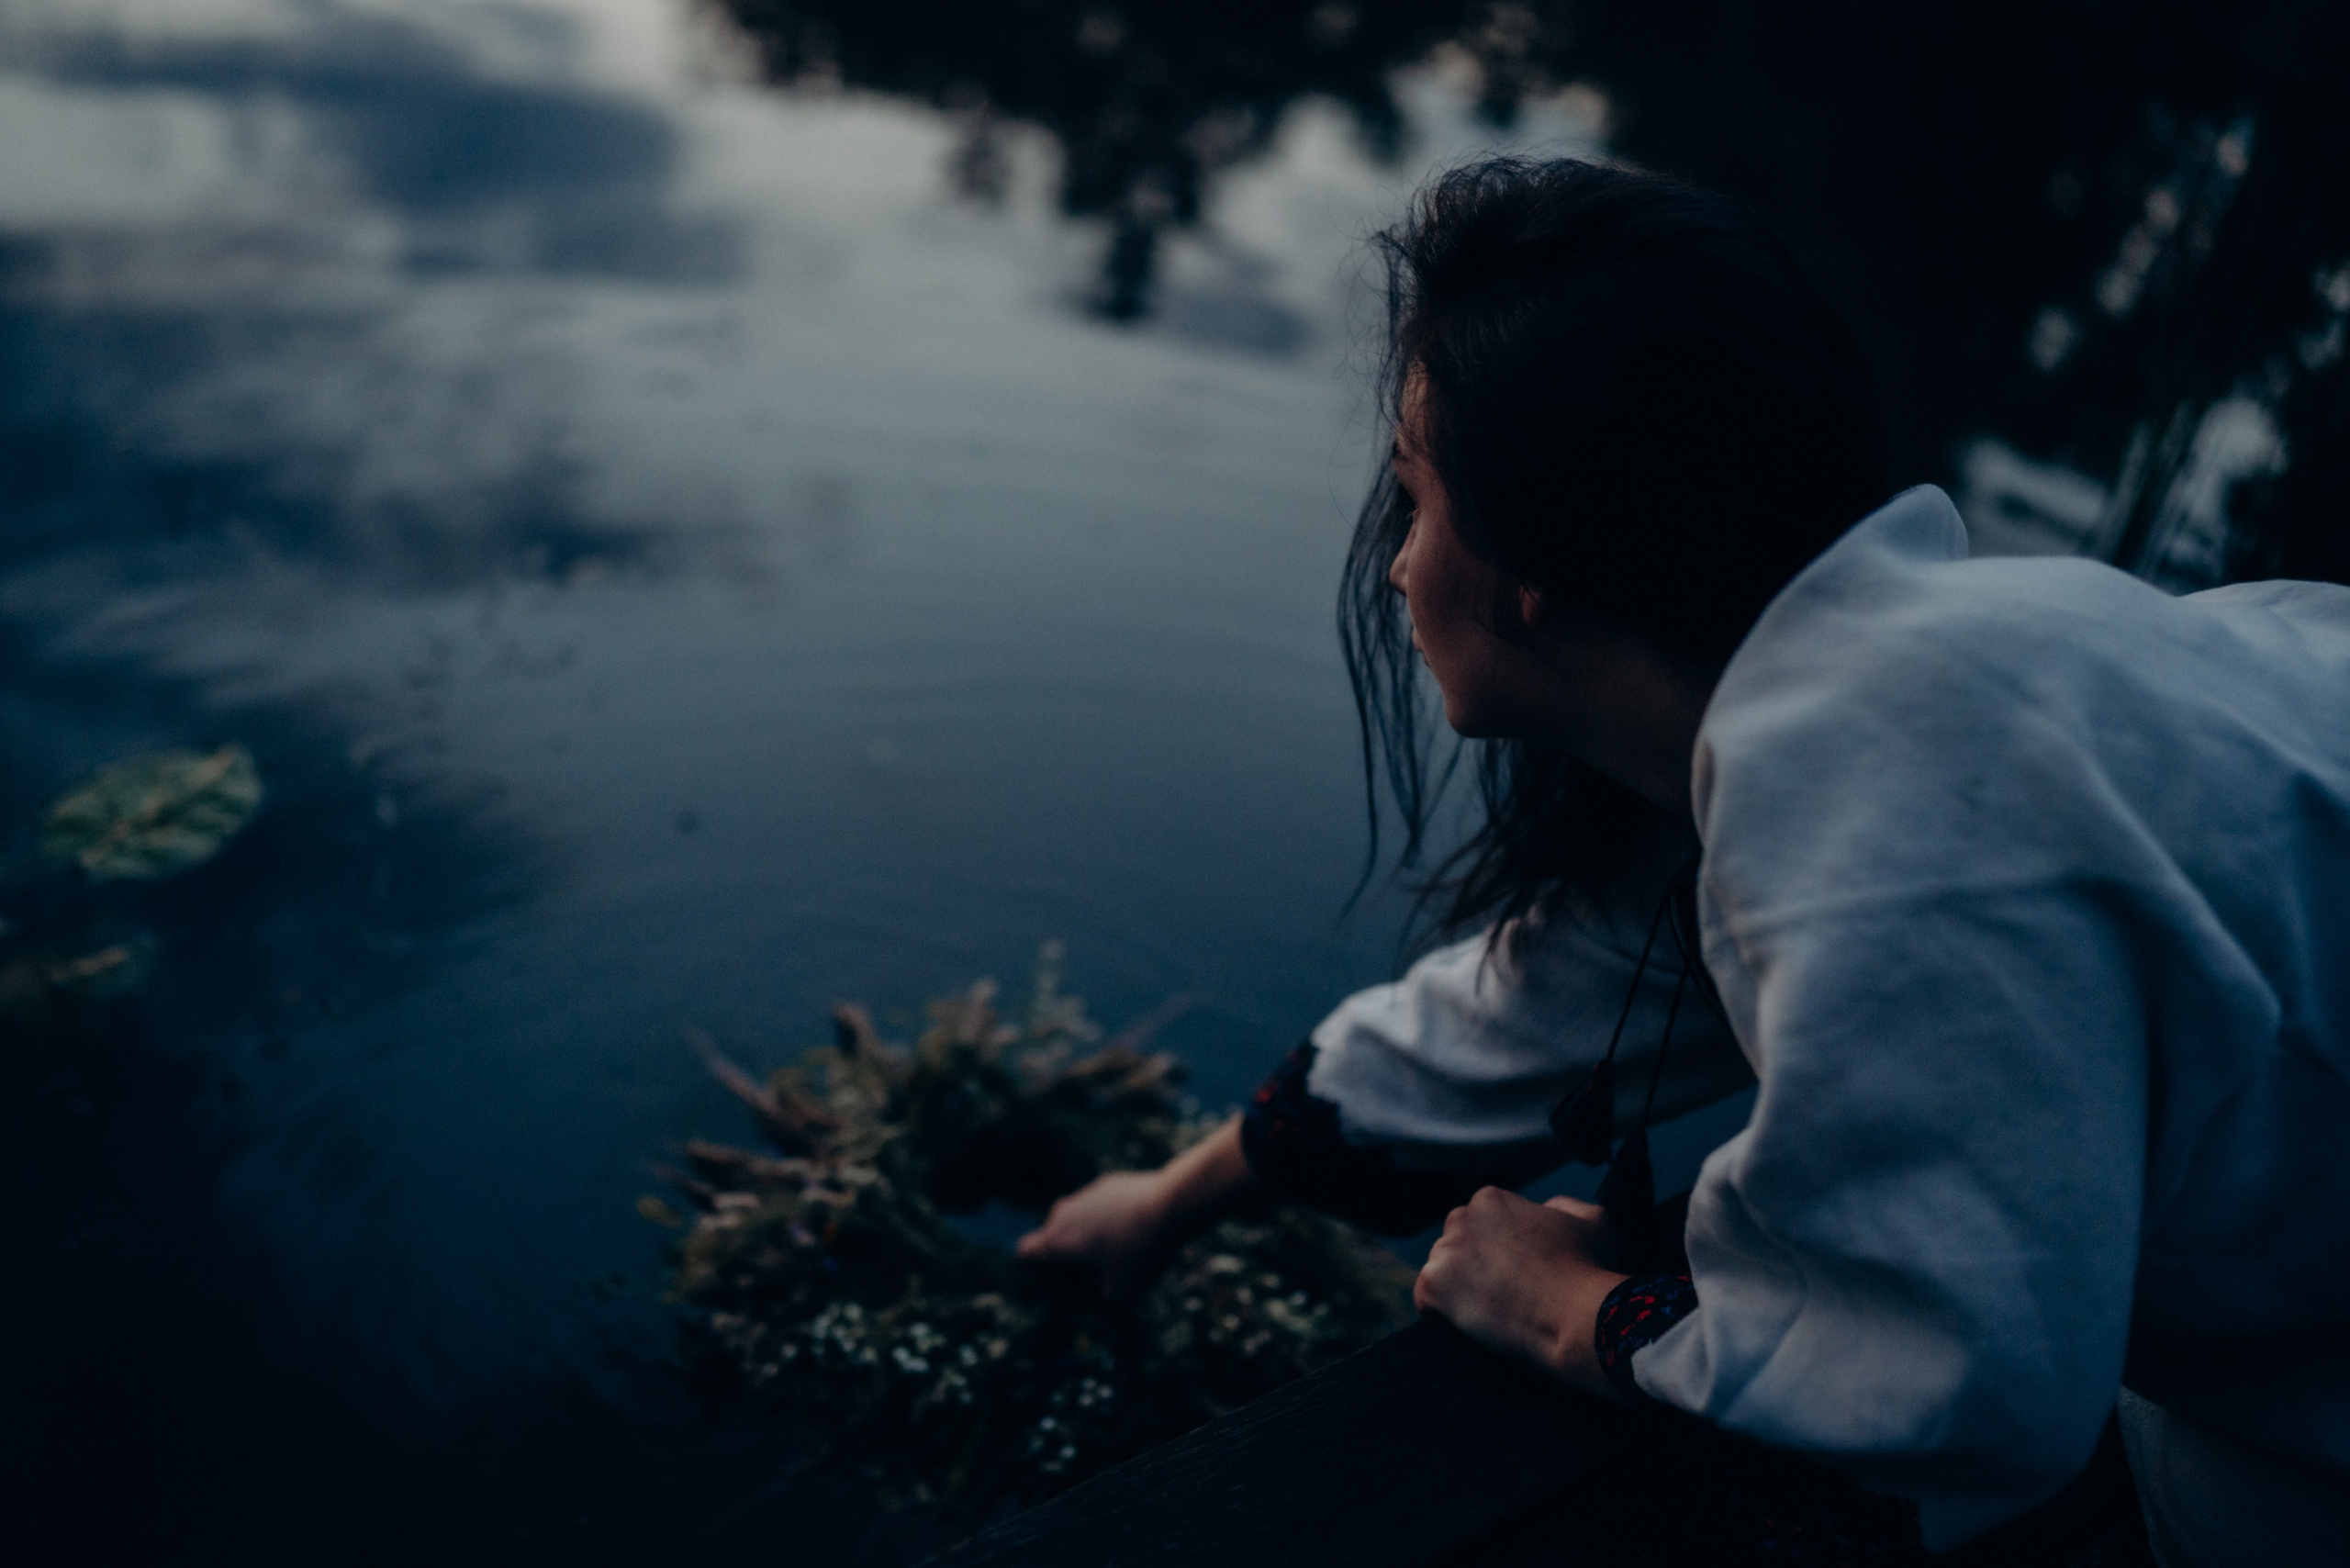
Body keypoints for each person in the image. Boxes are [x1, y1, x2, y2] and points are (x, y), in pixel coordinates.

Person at [1016, 156, 2350, 1565]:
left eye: (1417, 499)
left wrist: (1563, 1308)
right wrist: (1160, 1204)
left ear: (1534, 565)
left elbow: (1930, 1405)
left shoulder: (1907, 830)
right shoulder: (1887, 705)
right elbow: (1502, 1025)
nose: (1399, 566)